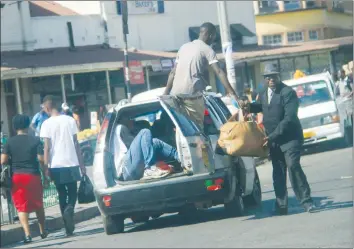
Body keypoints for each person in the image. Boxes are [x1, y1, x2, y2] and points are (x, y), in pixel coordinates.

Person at [241, 64, 315, 215]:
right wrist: (248, 106)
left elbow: (289, 119)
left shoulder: (288, 93)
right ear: (265, 79)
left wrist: (272, 136)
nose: (271, 79)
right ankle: (281, 205)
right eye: (268, 77)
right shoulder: (263, 93)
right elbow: (261, 106)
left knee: (293, 165)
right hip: (273, 141)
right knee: (278, 172)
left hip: (290, 138)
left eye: (274, 76)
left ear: (278, 76)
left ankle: (306, 201)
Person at [163, 22, 238, 128]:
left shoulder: (183, 47)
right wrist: (233, 93)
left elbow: (172, 72)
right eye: (214, 37)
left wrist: (165, 94)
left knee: (182, 127)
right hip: (192, 96)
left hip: (175, 95)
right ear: (211, 35)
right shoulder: (207, 50)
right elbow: (219, 72)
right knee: (197, 129)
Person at [40, 98, 86, 236]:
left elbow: (46, 147)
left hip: (56, 164)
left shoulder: (46, 124)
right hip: (71, 161)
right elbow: (76, 144)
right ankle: (70, 209)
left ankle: (67, 226)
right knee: (72, 191)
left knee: (61, 193)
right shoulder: (70, 120)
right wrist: (82, 164)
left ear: (47, 108)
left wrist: (46, 166)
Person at [1, 115, 49, 243]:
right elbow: (40, 159)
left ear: (14, 126)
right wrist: (45, 176)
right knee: (38, 204)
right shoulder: (35, 140)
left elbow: (3, 160)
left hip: (18, 177)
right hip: (33, 175)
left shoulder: (9, 142)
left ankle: (28, 235)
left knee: (22, 207)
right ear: (28, 125)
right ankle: (43, 230)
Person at [112, 116, 179, 181]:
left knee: (155, 141)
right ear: (121, 120)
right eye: (129, 118)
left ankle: (180, 157)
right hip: (125, 169)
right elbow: (134, 145)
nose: (132, 120)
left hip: (130, 169)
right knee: (145, 132)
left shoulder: (117, 129)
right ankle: (150, 168)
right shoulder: (120, 127)